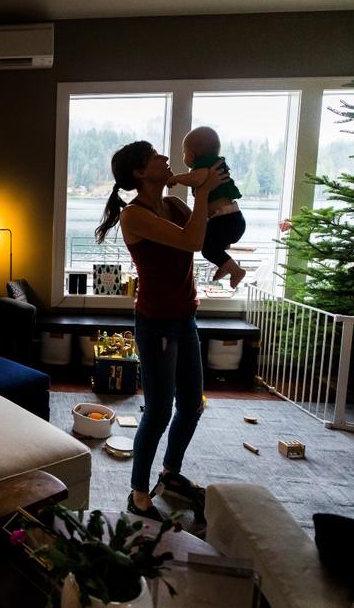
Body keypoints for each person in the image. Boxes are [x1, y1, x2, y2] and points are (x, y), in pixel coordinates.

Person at [95, 141, 227, 521]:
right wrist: (200, 193)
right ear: (139, 173)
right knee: (158, 411)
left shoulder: (173, 204)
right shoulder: (133, 216)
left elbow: (205, 236)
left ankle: (170, 474)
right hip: (157, 324)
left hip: (185, 317)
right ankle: (138, 493)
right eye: (156, 156)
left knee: (192, 406)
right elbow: (190, 240)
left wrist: (215, 198)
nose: (166, 159)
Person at [166, 126, 248, 288]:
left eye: (184, 153)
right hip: (229, 220)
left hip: (225, 221)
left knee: (207, 250)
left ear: (191, 154)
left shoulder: (204, 167)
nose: (184, 156)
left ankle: (236, 270)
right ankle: (225, 265)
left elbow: (196, 179)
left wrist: (177, 178)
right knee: (207, 243)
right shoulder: (215, 164)